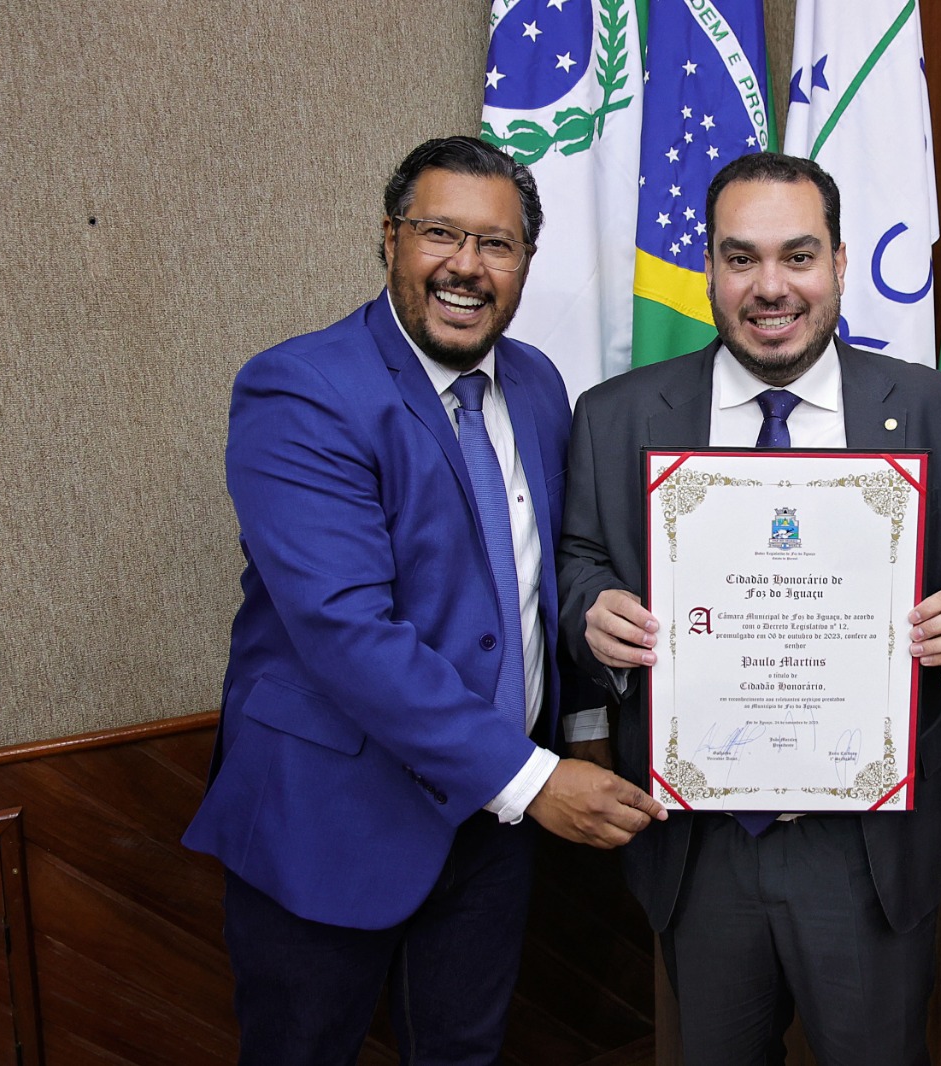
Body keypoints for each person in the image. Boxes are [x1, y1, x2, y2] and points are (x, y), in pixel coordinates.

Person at [182, 136, 665, 1065]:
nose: (466, 266)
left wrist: (585, 725)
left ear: (525, 261)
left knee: (462, 1052)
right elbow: (346, 631)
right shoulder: (302, 390)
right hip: (332, 814)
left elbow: (542, 576)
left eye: (498, 244)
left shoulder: (534, 383)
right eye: (440, 233)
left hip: (492, 829)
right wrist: (531, 780)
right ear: (389, 238)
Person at [557, 152, 941, 1065]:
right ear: (709, 270)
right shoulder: (615, 415)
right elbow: (578, 559)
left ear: (841, 263)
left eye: (799, 256)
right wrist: (591, 612)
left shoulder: (938, 408)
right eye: (742, 258)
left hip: (869, 845)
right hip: (697, 841)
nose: (771, 287)